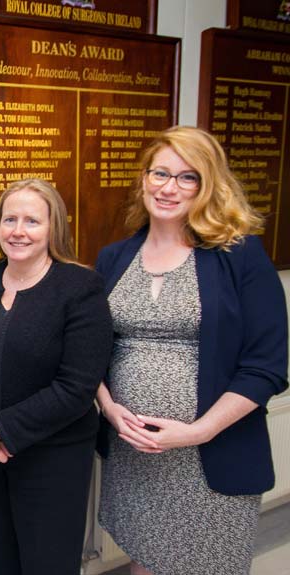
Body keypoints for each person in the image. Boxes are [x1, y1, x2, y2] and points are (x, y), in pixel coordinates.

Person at [95, 126, 288, 575]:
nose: (168, 187)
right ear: (143, 178)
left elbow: (265, 367)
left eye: (187, 177)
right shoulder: (114, 257)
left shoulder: (239, 255)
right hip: (135, 456)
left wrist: (197, 431)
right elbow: (91, 350)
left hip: (211, 456)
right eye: (160, 173)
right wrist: (107, 406)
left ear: (208, 185)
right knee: (143, 561)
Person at [0, 178, 113, 574]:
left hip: (53, 456)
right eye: (10, 219)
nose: (18, 231)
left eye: (32, 221)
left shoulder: (80, 287)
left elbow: (76, 388)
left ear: (53, 227)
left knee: (47, 565)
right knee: (2, 561)